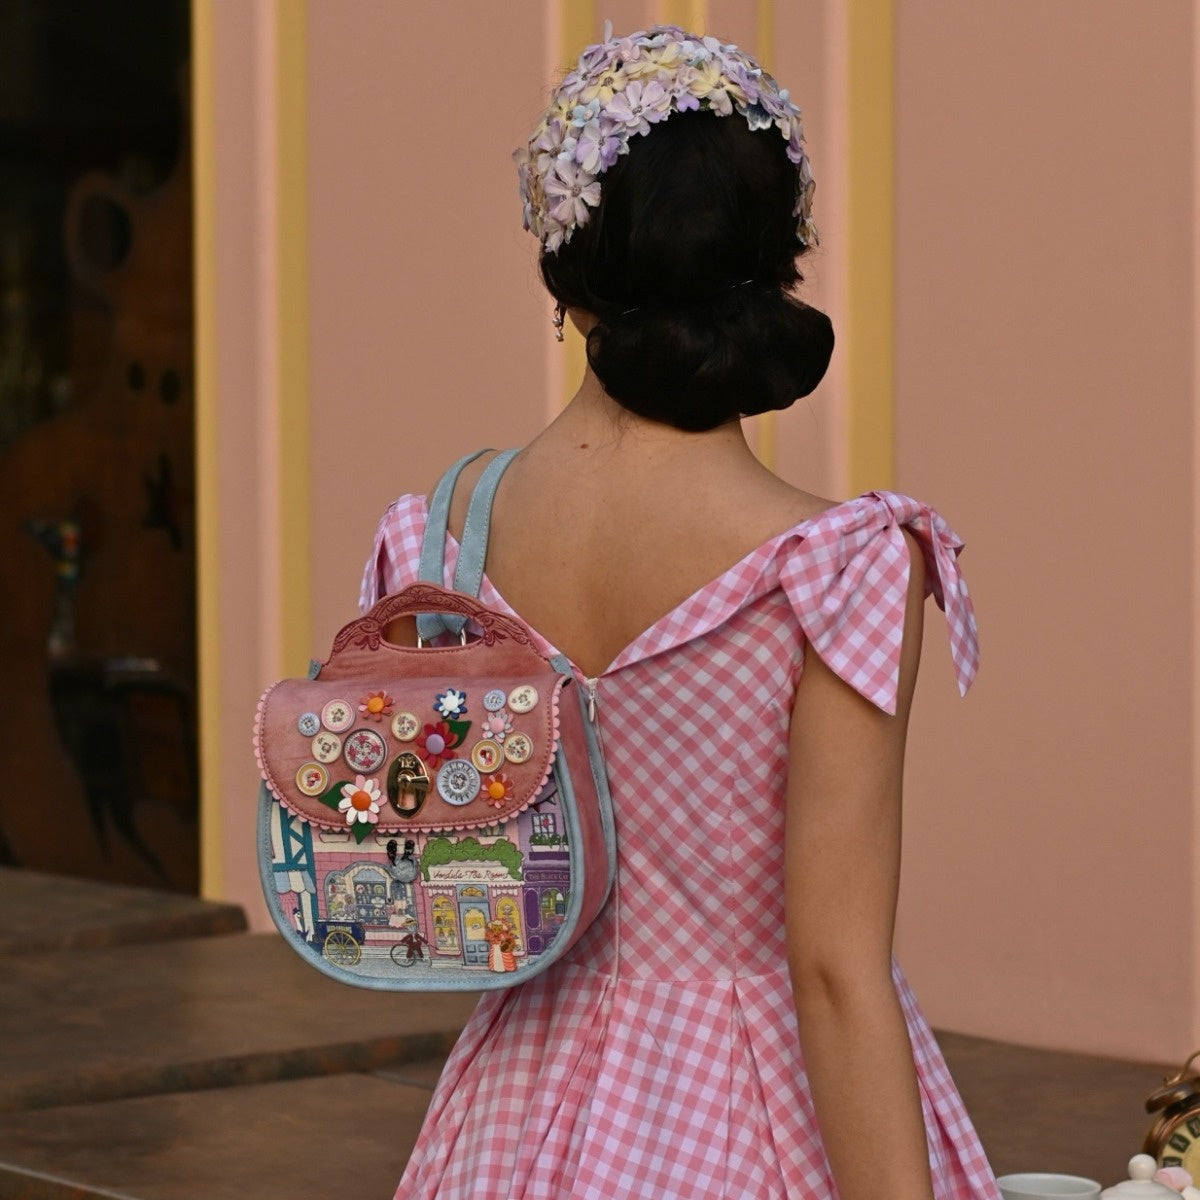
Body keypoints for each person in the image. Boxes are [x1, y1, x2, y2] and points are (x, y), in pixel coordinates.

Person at [360, 24, 999, 1200]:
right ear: (774, 262)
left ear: (564, 273)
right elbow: (834, 972)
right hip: (756, 1114)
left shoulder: (439, 538)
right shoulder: (839, 569)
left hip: (515, 1109)